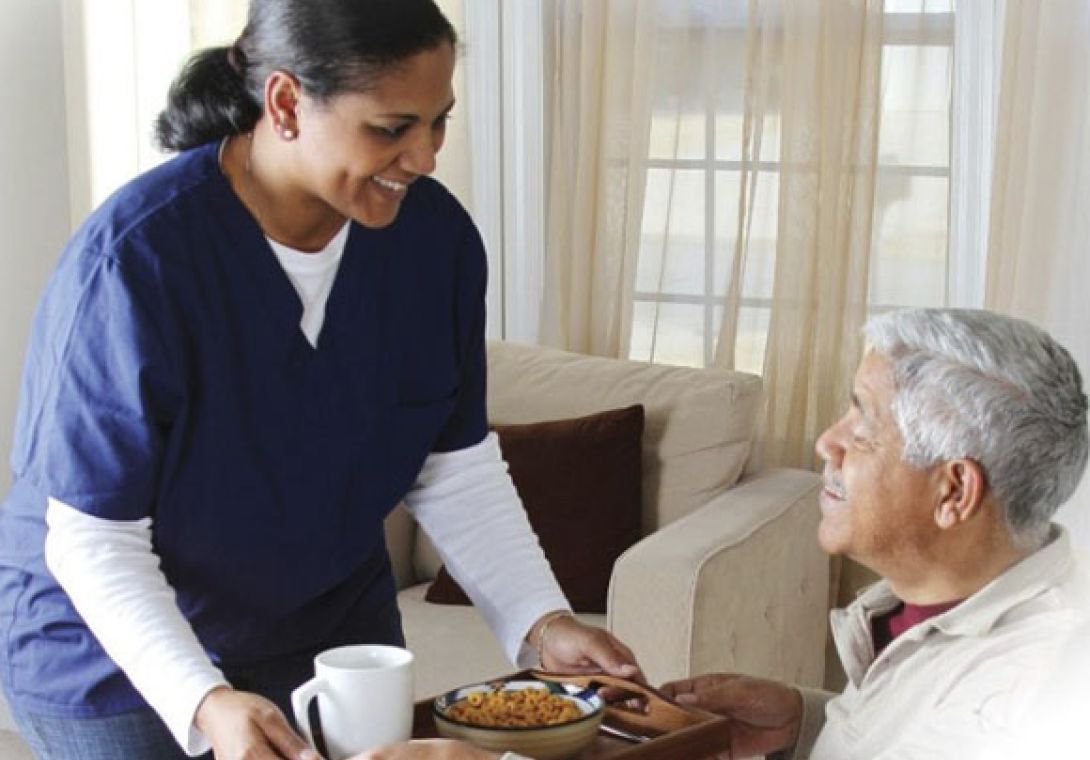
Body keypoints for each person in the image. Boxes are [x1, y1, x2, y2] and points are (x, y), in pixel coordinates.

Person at [0, 2, 638, 759]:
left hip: (329, 632)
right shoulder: (138, 265)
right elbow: (92, 538)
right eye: (392, 128)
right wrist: (205, 701)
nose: (425, 156)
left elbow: (453, 465)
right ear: (284, 103)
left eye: (439, 123)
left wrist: (543, 621)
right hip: (113, 656)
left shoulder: (435, 243)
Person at [347, 308, 1089, 760]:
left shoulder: (1032, 701)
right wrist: (804, 720)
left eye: (864, 424)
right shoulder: (941, 604)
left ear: (953, 490)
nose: (828, 442)